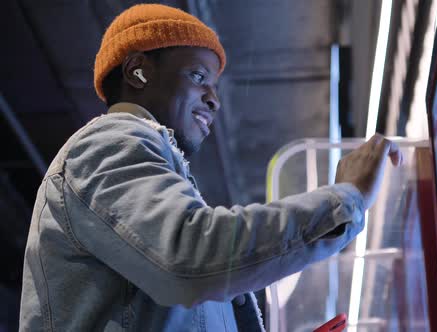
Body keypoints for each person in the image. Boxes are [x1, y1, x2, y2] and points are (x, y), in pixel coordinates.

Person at [19, 4, 401, 332]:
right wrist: (347, 199)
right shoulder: (108, 143)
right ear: (137, 71)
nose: (214, 100)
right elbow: (189, 259)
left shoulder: (150, 170)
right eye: (198, 77)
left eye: (215, 85)